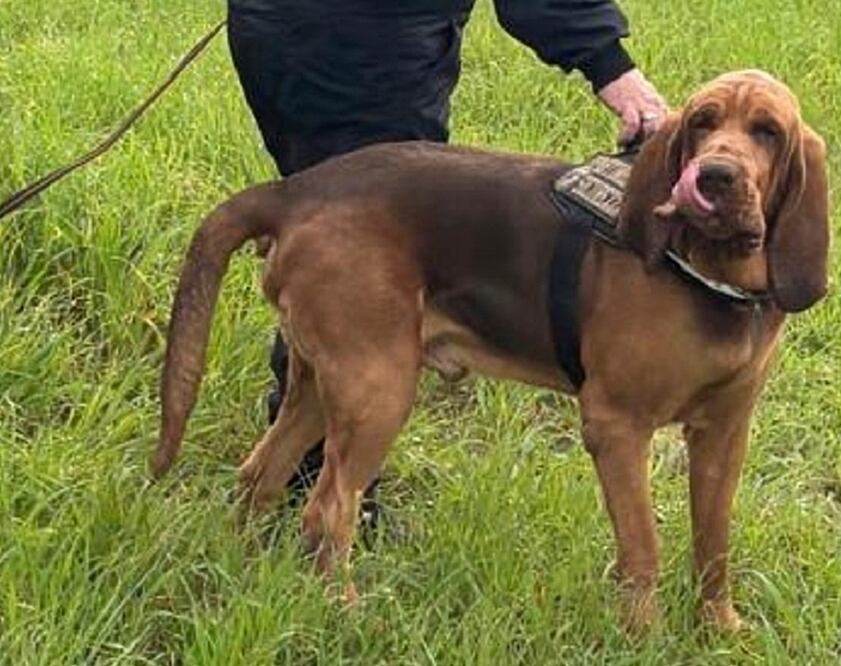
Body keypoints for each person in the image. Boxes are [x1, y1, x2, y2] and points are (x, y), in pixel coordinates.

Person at [226, 0, 668, 528]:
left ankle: (282, 477)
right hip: (364, 43)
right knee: (359, 264)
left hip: (281, 27)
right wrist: (610, 64)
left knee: (330, 246)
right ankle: (327, 498)